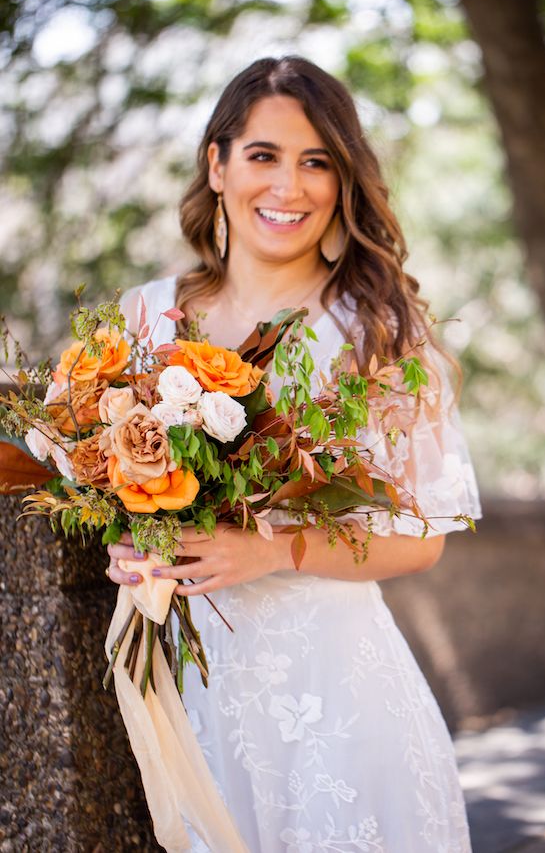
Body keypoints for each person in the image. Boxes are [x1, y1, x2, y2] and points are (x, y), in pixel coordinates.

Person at [106, 55, 482, 852]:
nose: (290, 187)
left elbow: (425, 538)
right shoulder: (145, 318)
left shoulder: (377, 331)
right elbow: (111, 482)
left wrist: (270, 549)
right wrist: (129, 540)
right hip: (193, 711)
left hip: (338, 708)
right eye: (264, 156)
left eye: (317, 162)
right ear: (218, 164)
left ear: (343, 181)